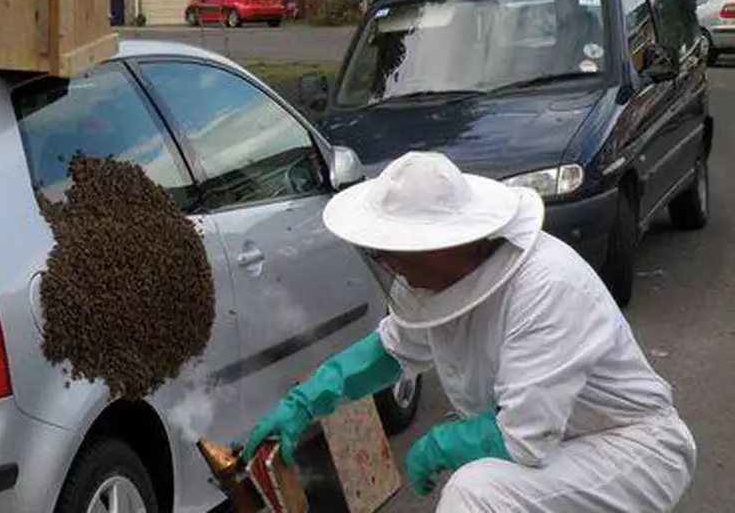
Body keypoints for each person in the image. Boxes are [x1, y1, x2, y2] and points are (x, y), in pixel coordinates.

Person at [242, 151, 696, 511]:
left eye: (394, 250)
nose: (388, 262)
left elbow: (523, 439)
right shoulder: (447, 282)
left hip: (629, 449)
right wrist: (307, 403)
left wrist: (440, 444)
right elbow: (391, 350)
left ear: (442, 245)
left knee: (477, 492)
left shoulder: (545, 285)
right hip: (560, 449)